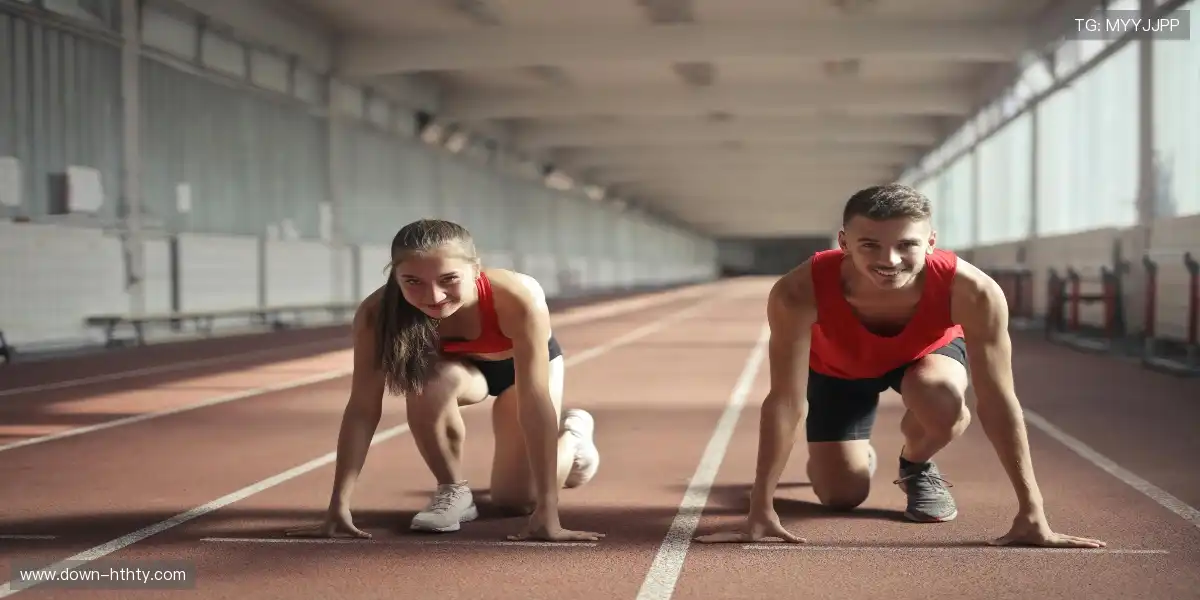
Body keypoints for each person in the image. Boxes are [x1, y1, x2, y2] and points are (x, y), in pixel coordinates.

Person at [694, 184, 1105, 549]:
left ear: (931, 242)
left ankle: (916, 463)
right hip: (839, 369)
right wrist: (760, 508)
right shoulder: (797, 292)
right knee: (840, 495)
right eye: (869, 244)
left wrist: (1032, 510)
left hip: (925, 358)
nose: (889, 259)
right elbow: (785, 401)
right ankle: (848, 459)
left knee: (941, 401)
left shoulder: (974, 292)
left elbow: (999, 400)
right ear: (844, 242)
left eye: (906, 245)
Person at [286, 218, 603, 542]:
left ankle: (574, 436)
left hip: (521, 372)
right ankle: (453, 490)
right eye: (413, 281)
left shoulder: (516, 297)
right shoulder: (376, 313)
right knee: (427, 383)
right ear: (395, 277)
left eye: (449, 279)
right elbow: (362, 408)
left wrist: (549, 510)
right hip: (463, 372)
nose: (434, 296)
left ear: (476, 269)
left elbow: (534, 403)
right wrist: (339, 504)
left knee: (518, 500)